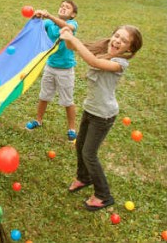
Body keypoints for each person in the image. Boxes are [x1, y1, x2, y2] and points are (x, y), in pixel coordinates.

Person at [61, 25, 143, 211]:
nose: (116, 41)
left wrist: (74, 40)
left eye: (123, 41)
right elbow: (72, 47)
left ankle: (103, 196)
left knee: (89, 154)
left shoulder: (119, 64)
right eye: (116, 35)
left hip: (104, 115)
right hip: (90, 109)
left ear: (128, 49)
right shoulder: (103, 49)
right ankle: (84, 178)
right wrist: (68, 36)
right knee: (80, 146)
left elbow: (94, 63)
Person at [25, 0, 79, 141]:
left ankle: (72, 128)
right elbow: (34, 27)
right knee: (44, 96)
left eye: (67, 8)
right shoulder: (49, 24)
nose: (63, 8)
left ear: (73, 14)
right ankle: (38, 120)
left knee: (67, 101)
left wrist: (49, 16)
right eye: (61, 6)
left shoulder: (72, 24)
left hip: (66, 69)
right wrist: (35, 17)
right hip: (50, 66)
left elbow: (66, 27)